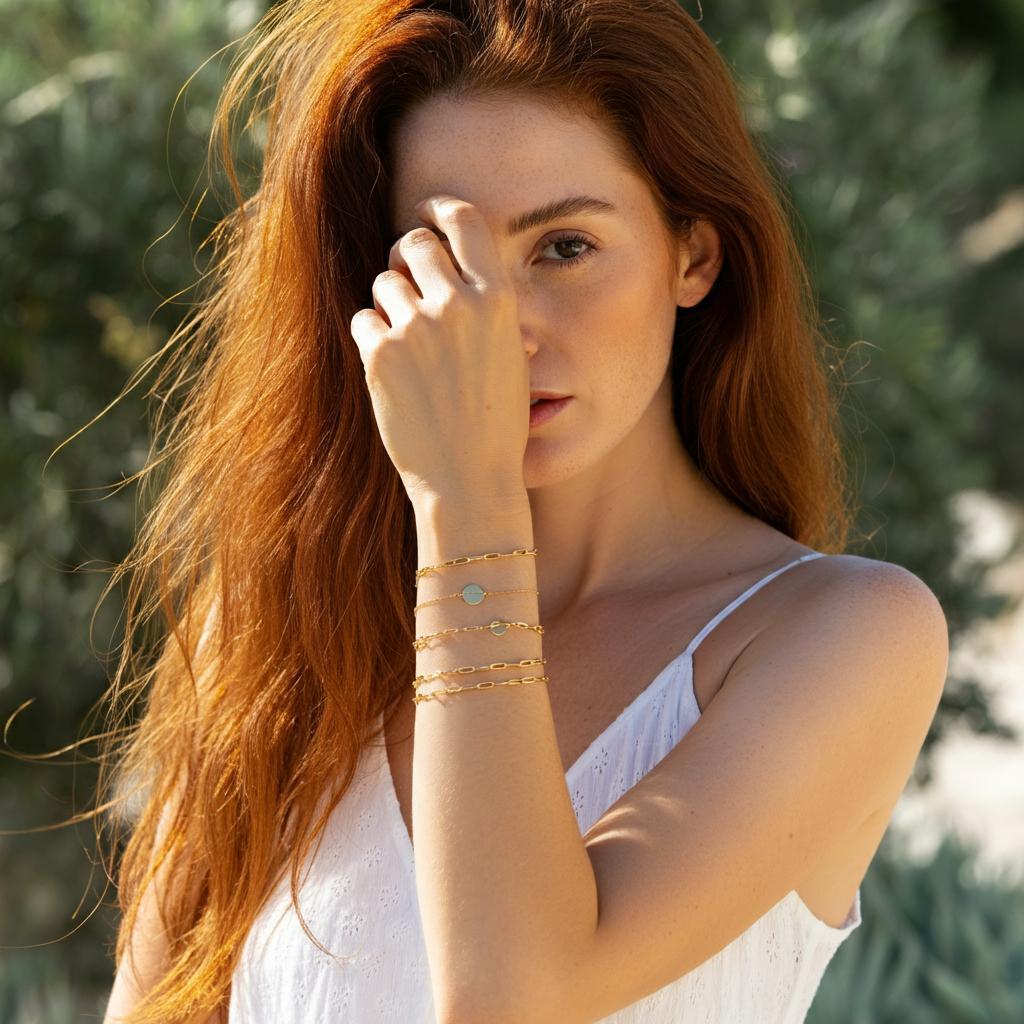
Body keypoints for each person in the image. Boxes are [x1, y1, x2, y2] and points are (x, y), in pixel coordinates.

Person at [101, 2, 949, 1022]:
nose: (500, 330)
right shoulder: (281, 630)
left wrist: (467, 503)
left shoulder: (845, 635)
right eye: (439, 262)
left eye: (564, 246)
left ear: (694, 255)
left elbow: (512, 996)